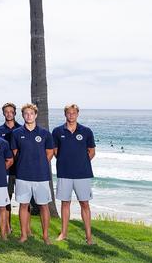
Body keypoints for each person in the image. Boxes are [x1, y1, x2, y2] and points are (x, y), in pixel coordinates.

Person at [11, 103, 55, 244]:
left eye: (31, 113)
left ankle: (45, 236)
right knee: (23, 205)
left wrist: (39, 164)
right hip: (23, 176)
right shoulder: (16, 133)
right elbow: (15, 153)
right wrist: (26, 164)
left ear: (36, 115)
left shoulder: (45, 133)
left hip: (41, 176)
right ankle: (24, 235)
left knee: (43, 206)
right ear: (23, 115)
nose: (29, 116)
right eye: (26, 113)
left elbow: (50, 153)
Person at [53, 104, 96, 245]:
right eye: (68, 113)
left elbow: (92, 152)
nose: (71, 115)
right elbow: (55, 151)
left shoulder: (86, 131)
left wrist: (80, 162)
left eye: (73, 113)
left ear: (78, 114)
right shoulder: (57, 131)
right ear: (65, 114)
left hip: (82, 174)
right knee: (65, 203)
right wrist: (66, 161)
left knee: (85, 203)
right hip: (64, 173)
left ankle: (89, 237)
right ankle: (63, 233)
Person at [0, 102, 21, 227]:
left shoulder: (22, 129)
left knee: (24, 201)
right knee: (6, 199)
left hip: (21, 169)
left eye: (11, 112)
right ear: (3, 113)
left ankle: (26, 230)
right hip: (6, 170)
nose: (9, 114)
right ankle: (7, 227)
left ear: (15, 113)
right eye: (6, 112)